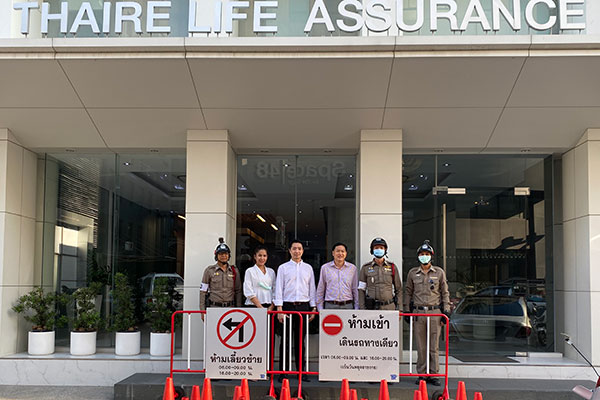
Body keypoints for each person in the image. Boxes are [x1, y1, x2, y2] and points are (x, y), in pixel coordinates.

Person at [403, 240, 450, 386]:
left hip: (434, 312)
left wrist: (446, 310)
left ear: (431, 256)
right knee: (421, 346)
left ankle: (434, 374)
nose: (424, 256)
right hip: (418, 313)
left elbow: (445, 292)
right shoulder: (412, 273)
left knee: (433, 346)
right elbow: (408, 292)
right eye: (422, 254)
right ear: (418, 256)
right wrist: (406, 310)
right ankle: (422, 374)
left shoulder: (439, 272)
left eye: (427, 254)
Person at [273, 240, 317, 382]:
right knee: (285, 340)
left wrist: (313, 307)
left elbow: (312, 288)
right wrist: (279, 309)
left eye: (299, 248)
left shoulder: (308, 268)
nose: (297, 251)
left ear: (303, 251)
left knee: (300, 341)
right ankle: (283, 372)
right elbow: (278, 288)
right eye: (294, 248)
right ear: (290, 251)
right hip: (287, 306)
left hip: (303, 307)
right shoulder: (283, 268)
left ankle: (301, 372)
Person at [199, 238, 242, 321]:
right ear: (216, 256)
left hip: (230, 308)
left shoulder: (234, 271)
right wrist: (202, 311)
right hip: (214, 308)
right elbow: (203, 291)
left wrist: (239, 310)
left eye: (226, 254)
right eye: (221, 254)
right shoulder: (209, 270)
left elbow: (238, 291)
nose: (223, 256)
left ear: (229, 255)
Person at [358, 237, 402, 311]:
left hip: (389, 307)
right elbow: (361, 289)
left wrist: (399, 308)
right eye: (376, 248)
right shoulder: (366, 268)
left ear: (385, 250)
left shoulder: (392, 267)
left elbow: (399, 289)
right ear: (372, 250)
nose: (379, 250)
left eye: (381, 248)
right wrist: (362, 308)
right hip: (372, 308)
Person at [316, 242, 359, 310]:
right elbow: (321, 289)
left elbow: (355, 289)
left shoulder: (352, 268)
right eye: (338, 251)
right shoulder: (325, 268)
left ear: (346, 253)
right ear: (333, 253)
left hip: (347, 306)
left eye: (342, 251)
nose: (340, 253)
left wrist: (357, 307)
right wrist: (320, 308)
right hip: (330, 305)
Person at [243, 245, 276, 310]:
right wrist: (260, 307)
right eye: (260, 255)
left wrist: (271, 307)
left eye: (264, 256)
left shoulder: (271, 271)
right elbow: (248, 290)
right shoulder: (250, 271)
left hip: (269, 305)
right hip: (253, 305)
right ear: (255, 256)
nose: (262, 258)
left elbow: (275, 290)